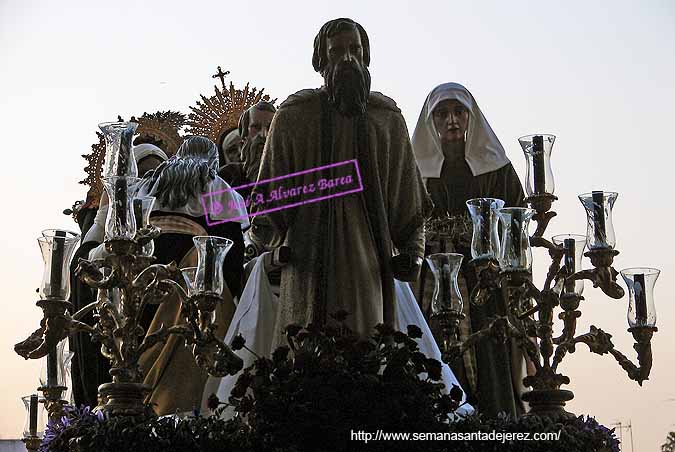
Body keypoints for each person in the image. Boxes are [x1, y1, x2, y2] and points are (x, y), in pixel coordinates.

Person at [249, 18, 433, 346]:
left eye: (355, 50)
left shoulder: (386, 120)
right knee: (306, 354)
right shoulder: (294, 117)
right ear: (321, 62)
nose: (347, 59)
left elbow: (410, 202)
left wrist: (412, 254)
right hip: (308, 262)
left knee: (368, 348)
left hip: (368, 264)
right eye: (336, 52)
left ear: (366, 57)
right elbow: (268, 202)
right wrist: (269, 242)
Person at [411, 82, 527, 417]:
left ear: (470, 117)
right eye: (442, 113)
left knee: (490, 348)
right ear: (431, 121)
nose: (452, 121)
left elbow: (517, 218)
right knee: (431, 349)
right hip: (429, 276)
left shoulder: (496, 167)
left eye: (459, 112)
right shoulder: (414, 171)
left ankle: (496, 421)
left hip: (483, 279)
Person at [135, 135, 249, 415]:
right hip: (192, 275)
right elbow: (230, 248)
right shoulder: (217, 186)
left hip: (145, 276)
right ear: (213, 161)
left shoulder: (149, 183)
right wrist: (239, 296)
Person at [70, 143, 168, 408]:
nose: (147, 181)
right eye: (142, 175)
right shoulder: (107, 217)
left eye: (155, 174)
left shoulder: (169, 223)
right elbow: (84, 262)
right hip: (109, 329)